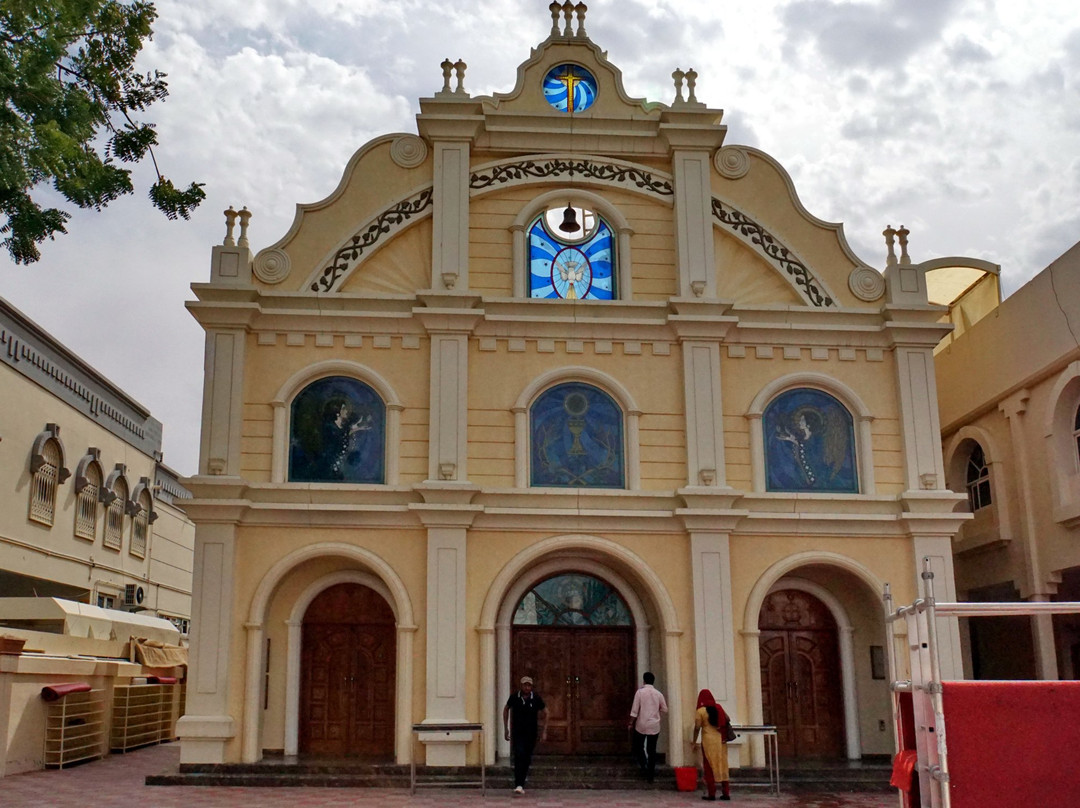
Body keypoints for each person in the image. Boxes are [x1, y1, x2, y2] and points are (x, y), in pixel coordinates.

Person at [503, 675, 548, 795]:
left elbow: (546, 712)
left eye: (529, 685)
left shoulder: (536, 698)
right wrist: (506, 728)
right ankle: (518, 784)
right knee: (519, 755)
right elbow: (506, 709)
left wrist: (544, 730)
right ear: (521, 686)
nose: (527, 687)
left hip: (531, 733)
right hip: (518, 732)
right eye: (525, 685)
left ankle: (521, 782)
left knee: (526, 757)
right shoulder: (515, 697)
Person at [627, 671, 667, 783]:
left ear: (644, 680)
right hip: (654, 725)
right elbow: (664, 709)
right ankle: (651, 774)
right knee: (652, 749)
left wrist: (630, 723)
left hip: (641, 724)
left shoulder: (640, 693)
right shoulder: (658, 694)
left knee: (639, 746)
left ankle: (644, 765)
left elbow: (634, 711)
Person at [692, 689, 731, 801]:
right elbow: (728, 718)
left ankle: (712, 793)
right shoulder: (718, 708)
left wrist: (694, 741)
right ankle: (726, 793)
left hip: (709, 742)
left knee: (709, 766)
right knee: (723, 765)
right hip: (721, 741)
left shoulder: (701, 711)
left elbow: (697, 727)